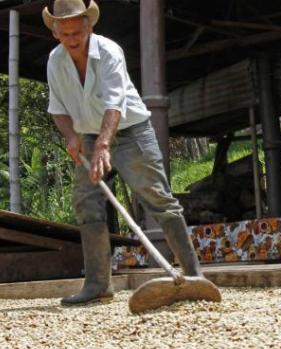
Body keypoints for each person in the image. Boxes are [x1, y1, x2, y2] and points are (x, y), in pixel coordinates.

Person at [44, 0, 204, 305]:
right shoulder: (55, 61)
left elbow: (114, 104)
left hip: (131, 131)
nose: (73, 40)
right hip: (88, 135)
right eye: (66, 35)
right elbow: (58, 109)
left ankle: (196, 276)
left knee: (158, 199)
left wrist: (105, 144)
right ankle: (98, 285)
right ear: (56, 33)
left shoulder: (108, 51)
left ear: (89, 26)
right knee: (87, 205)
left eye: (77, 32)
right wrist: (72, 137)